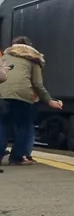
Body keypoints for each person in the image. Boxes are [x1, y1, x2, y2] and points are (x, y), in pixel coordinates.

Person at [0, 37, 63, 165]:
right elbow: (37, 84)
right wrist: (49, 101)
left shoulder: (5, 57)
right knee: (24, 126)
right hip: (22, 96)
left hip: (2, 94)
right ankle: (17, 158)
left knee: (3, 126)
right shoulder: (33, 59)